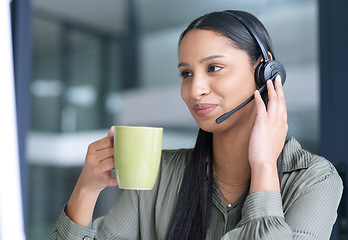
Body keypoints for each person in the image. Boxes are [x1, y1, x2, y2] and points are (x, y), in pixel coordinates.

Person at [50, 10, 343, 240]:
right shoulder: (160, 173)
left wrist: (264, 166)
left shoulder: (314, 179)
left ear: (265, 73)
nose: (195, 90)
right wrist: (86, 190)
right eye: (186, 73)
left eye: (214, 68)